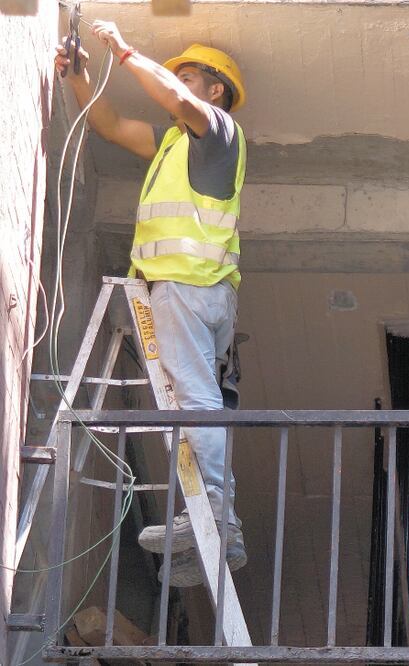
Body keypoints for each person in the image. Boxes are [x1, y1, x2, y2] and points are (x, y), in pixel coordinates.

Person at [54, 22, 248, 587]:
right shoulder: (173, 144)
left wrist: (126, 52)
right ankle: (214, 521)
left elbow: (176, 97)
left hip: (189, 287)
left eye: (188, 75)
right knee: (191, 401)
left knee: (195, 400)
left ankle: (216, 512)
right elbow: (110, 124)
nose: (175, 82)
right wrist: (80, 75)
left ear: (215, 91)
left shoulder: (219, 132)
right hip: (196, 290)